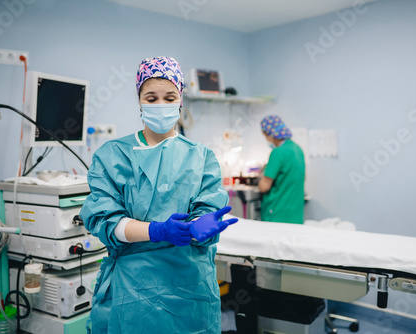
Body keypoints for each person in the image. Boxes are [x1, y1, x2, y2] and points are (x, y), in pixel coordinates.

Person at [80, 56, 238, 333]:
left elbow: (208, 207)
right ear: (139, 101)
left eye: (169, 97)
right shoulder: (113, 155)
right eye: (151, 98)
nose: (161, 105)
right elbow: (105, 220)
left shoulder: (201, 157)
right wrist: (158, 230)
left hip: (189, 288)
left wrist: (202, 226)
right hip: (133, 290)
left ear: (180, 101)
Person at [258, 115, 306, 224]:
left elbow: (264, 187)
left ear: (269, 134)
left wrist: (260, 178)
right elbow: (303, 177)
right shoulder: (297, 149)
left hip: (277, 213)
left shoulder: (278, 152)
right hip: (295, 214)